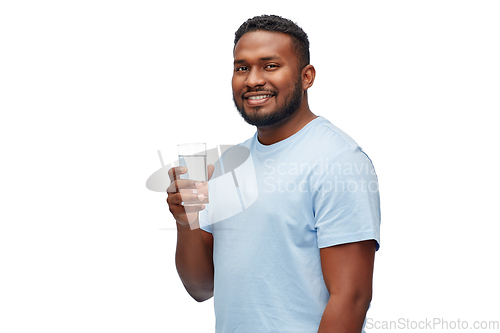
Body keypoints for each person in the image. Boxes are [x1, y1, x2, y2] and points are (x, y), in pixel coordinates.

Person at [167, 14, 381, 333]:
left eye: (270, 65)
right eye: (242, 67)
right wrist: (187, 220)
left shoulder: (338, 160)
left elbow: (351, 298)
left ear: (306, 76)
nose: (252, 79)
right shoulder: (228, 165)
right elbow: (201, 287)